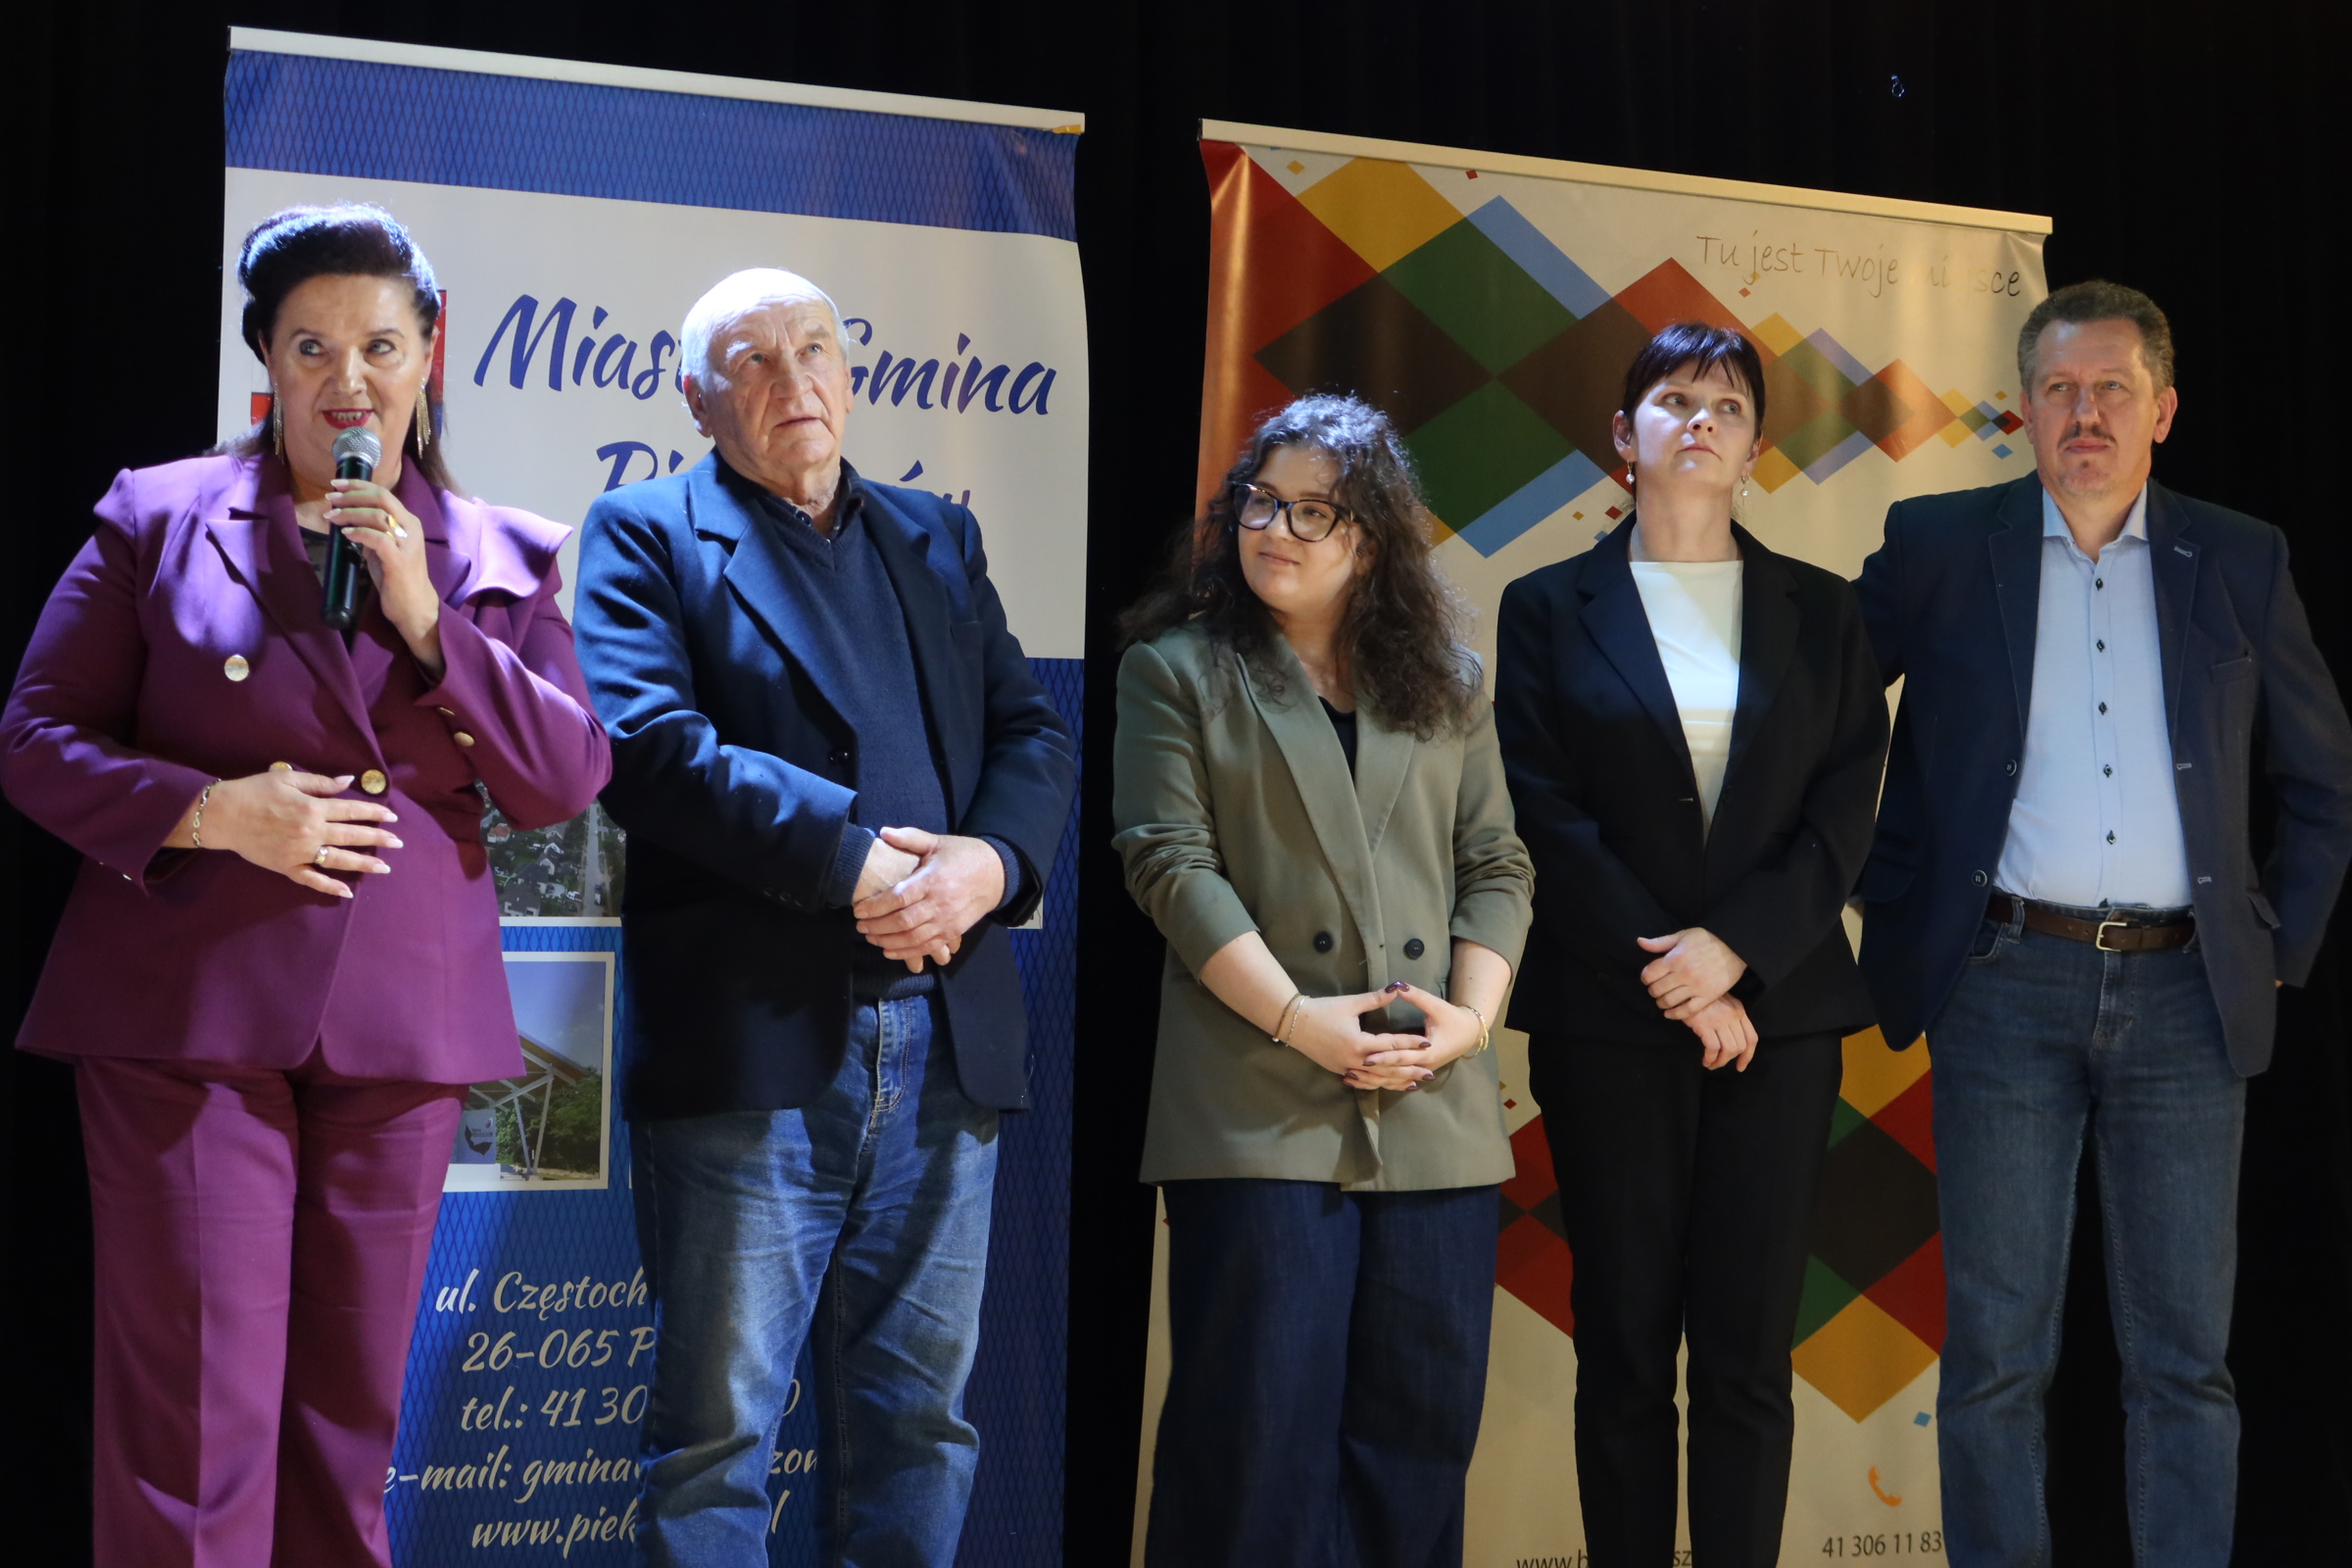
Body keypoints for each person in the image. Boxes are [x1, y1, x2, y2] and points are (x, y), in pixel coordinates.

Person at [0, 203, 611, 1566]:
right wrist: (213, 810)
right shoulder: (159, 517)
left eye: (381, 345)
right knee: (193, 1436)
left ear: (429, 355)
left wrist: (428, 622)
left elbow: (564, 776)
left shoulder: (498, 555)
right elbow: (36, 741)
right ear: (266, 361)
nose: (350, 379)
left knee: (350, 1433)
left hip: (400, 1030)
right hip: (189, 1018)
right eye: (313, 346)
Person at [572, 268, 1076, 1566]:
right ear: (696, 399)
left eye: (815, 349)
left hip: (945, 1046)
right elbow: (647, 749)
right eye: (752, 360)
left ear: (851, 375)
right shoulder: (644, 532)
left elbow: (1030, 733)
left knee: (921, 1430)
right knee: (715, 1443)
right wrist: (855, 862)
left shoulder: (936, 533)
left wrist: (988, 867)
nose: (793, 380)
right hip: (754, 1051)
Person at [1853, 279, 2352, 1565]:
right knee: (1996, 1356)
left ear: (2163, 411)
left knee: (2184, 1361)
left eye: (2113, 390)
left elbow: (2322, 777)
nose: (2086, 414)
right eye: (2061, 390)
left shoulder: (2240, 556)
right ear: (2022, 409)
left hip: (2190, 998)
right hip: (2002, 985)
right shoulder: (1938, 545)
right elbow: (1822, 715)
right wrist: (1876, 886)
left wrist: (2275, 951)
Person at [1113, 393, 1534, 1568]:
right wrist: (1301, 1021)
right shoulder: (1177, 671)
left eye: (1314, 511)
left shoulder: (1447, 680)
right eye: (1261, 503)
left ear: (1373, 539)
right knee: (1254, 1445)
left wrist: (1470, 1022)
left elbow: (1497, 863)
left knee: (1419, 1444)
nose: (1275, 530)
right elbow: (1170, 865)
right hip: (1257, 1103)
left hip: (1434, 1105)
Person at [1494, 322, 1888, 1567]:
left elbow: (1845, 810)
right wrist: (1678, 974)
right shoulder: (1545, 606)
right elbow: (1542, 809)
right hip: (1609, 1022)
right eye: (1674, 399)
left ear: (1757, 445)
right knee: (1621, 1349)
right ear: (1625, 434)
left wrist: (1737, 955)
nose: (1701, 421)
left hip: (1780, 1021)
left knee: (1746, 1355)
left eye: (1727, 405)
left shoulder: (1824, 611)